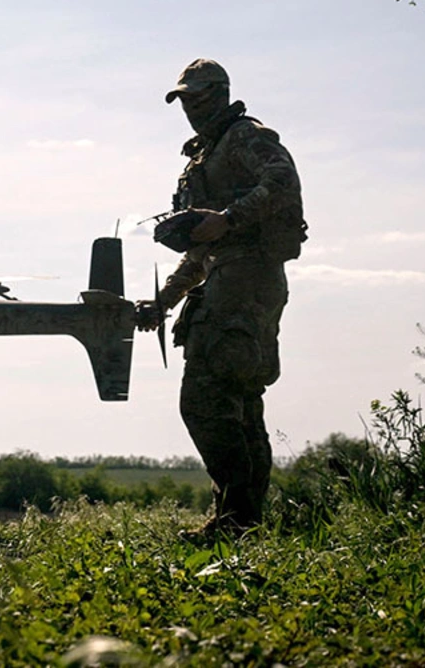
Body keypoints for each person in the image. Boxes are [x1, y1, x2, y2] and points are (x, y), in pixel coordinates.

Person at [135, 59, 306, 539]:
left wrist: (228, 217)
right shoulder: (205, 154)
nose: (191, 108)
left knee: (207, 399)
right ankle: (244, 523)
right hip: (233, 280)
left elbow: (283, 180)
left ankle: (235, 520)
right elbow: (202, 252)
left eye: (200, 97)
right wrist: (164, 301)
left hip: (246, 283)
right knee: (240, 403)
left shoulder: (244, 137)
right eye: (185, 100)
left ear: (222, 94)